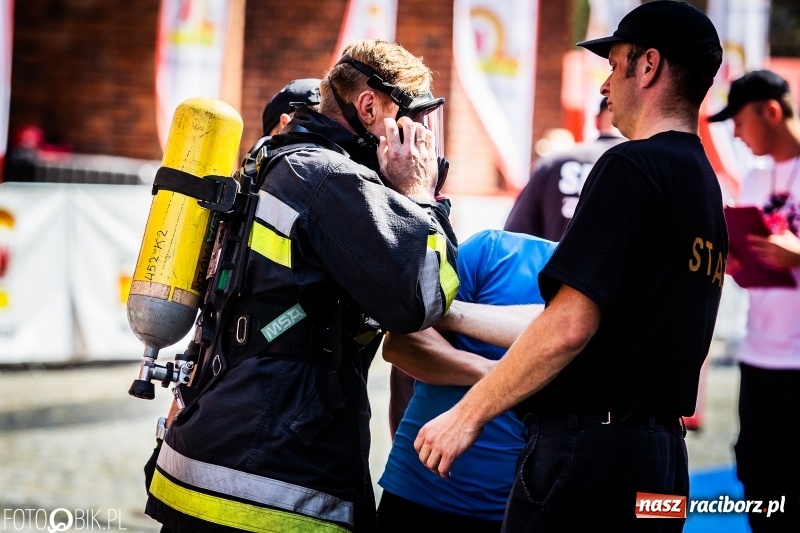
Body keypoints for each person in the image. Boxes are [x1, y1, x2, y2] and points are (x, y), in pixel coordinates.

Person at [413, 2, 727, 531]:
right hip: (665, 462)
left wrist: (467, 414)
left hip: (592, 459)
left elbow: (569, 325)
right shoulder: (703, 183)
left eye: (615, 65)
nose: (605, 85)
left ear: (649, 66)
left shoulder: (631, 165)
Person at [143, 39, 459, 533]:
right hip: (273, 482)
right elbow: (421, 297)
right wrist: (421, 198)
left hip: (208, 455)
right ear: (369, 107)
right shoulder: (331, 179)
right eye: (412, 116)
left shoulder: (274, 162)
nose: (420, 134)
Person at [378, 229, 554, 532]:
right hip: (420, 490)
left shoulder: (613, 297)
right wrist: (497, 375)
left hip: (520, 509)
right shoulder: (494, 251)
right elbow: (402, 345)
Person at [708, 69, 800, 533]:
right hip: (759, 352)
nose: (737, 134)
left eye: (740, 122)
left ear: (771, 112)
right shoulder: (755, 180)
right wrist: (739, 263)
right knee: (756, 475)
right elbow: (752, 269)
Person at [504, 97, 625, 240]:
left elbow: (515, 234)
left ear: (596, 121)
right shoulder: (638, 167)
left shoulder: (551, 164)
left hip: (554, 253)